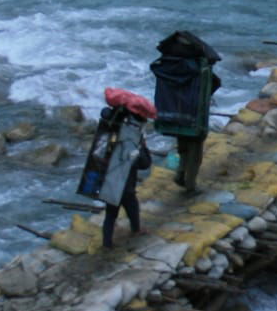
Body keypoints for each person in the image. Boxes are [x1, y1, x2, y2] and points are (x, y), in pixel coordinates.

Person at [78, 88, 154, 244]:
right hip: (125, 184)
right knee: (131, 205)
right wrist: (143, 147)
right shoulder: (131, 139)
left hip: (109, 182)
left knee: (111, 214)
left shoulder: (111, 132)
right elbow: (144, 163)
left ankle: (107, 243)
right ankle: (136, 230)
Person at [150, 31, 222, 191]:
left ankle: (180, 174)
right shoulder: (199, 67)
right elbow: (215, 83)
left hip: (171, 114)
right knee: (195, 152)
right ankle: (190, 184)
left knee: (182, 146)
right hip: (193, 116)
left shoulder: (166, 64)